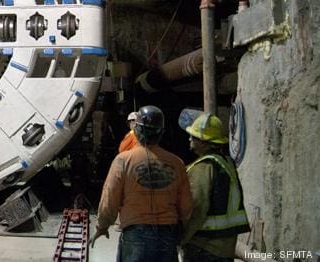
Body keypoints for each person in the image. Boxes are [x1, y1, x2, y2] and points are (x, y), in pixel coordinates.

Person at [92, 106, 192, 262]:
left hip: (135, 234)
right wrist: (182, 232)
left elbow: (109, 199)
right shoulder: (177, 163)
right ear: (161, 133)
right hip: (168, 234)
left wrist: (102, 226)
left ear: (136, 130)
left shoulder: (123, 160)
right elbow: (186, 206)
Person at [180, 113, 250, 261]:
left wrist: (182, 238)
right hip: (225, 247)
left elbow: (197, 208)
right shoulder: (226, 163)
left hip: (204, 246)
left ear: (205, 142)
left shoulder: (204, 167)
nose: (189, 138)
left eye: (193, 136)